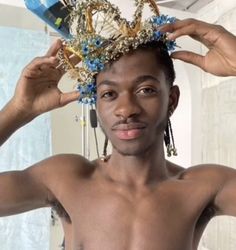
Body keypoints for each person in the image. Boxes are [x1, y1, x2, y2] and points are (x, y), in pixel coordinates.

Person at [0, 16, 236, 250]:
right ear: (96, 103)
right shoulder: (66, 179)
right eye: (109, 94)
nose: (126, 110)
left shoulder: (204, 187)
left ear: (171, 100)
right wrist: (18, 110)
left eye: (146, 90)